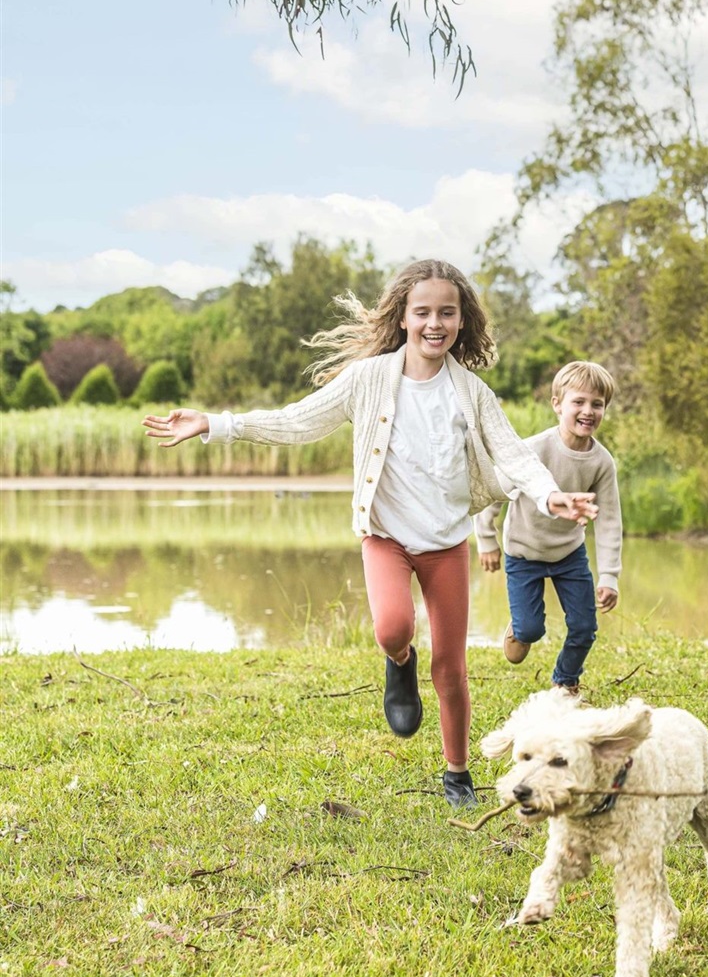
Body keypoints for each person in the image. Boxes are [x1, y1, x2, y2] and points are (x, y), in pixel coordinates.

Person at [143, 259, 598, 809]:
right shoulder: (368, 380)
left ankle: (457, 773)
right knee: (392, 628)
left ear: (462, 320)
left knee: (451, 668)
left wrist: (550, 494)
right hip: (385, 536)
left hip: (447, 541)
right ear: (403, 317)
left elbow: (511, 454)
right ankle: (398, 664)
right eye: (423, 312)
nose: (435, 323)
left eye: (447, 313)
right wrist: (217, 423)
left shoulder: (471, 392)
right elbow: (298, 421)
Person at [474, 361, 622, 693]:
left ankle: (565, 683)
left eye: (597, 404)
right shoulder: (533, 450)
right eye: (579, 402)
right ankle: (520, 627)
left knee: (585, 627)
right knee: (529, 632)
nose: (588, 411)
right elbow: (493, 493)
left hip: (569, 554)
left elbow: (610, 519)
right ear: (557, 404)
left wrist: (610, 575)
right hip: (524, 553)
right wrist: (486, 540)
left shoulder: (601, 463)